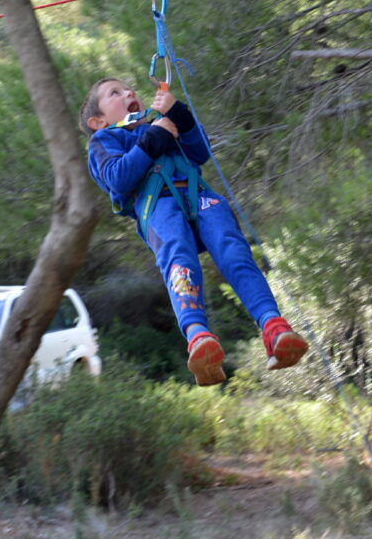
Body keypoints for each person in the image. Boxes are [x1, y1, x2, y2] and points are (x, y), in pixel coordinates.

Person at [80, 77, 309, 386]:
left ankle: (273, 326)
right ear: (98, 121)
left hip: (197, 194)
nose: (129, 92)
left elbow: (200, 152)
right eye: (114, 93)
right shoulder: (105, 139)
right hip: (157, 204)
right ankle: (198, 335)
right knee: (179, 258)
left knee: (234, 251)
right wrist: (155, 136)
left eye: (128, 88)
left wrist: (178, 113)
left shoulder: (163, 122)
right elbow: (118, 178)